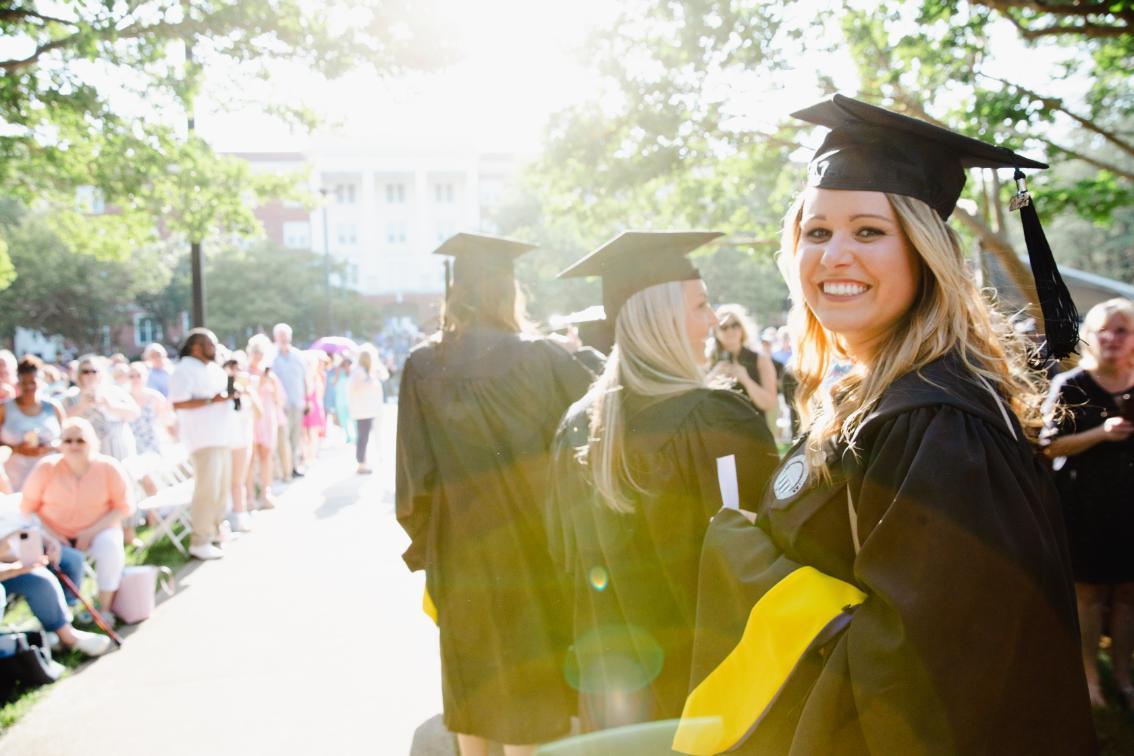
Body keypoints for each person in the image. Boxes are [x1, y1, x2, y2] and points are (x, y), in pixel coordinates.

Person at [674, 95, 1095, 755]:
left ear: (924, 253)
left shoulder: (934, 422)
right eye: (817, 232)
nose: (834, 255)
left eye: (869, 231)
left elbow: (924, 685)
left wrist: (744, 563)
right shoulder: (878, 395)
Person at [546, 231, 780, 731]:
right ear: (663, 319)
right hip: (708, 689)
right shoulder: (716, 420)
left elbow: (563, 555)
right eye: (701, 305)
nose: (714, 320)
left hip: (616, 696)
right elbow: (765, 559)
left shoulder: (577, 425)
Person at [396, 233, 594, 755]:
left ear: (457, 290)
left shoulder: (423, 365)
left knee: (472, 693)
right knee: (531, 702)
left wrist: (432, 547)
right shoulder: (546, 357)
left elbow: (412, 480)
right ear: (509, 291)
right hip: (537, 553)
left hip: (461, 557)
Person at [1043, 297, 1134, 710]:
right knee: (1090, 600)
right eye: (1104, 330)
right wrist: (1102, 433)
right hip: (1085, 509)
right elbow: (1049, 446)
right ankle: (1090, 679)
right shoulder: (1072, 385)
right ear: (1090, 338)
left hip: (1128, 510)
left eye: (1122, 330)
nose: (1112, 338)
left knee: (1129, 597)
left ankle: (1123, 676)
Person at [20, 418, 130, 618]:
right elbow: (28, 508)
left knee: (111, 548)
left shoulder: (108, 467)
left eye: (80, 440)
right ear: (60, 444)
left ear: (92, 442)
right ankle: (65, 615)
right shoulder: (46, 468)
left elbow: (123, 507)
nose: (74, 445)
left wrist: (91, 532)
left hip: (99, 529)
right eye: (68, 440)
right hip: (55, 534)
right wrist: (52, 535)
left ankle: (105, 609)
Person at [0, 519, 113, 657]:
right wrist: (13, 566)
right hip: (7, 565)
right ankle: (66, 636)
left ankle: (58, 628)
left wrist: (48, 541)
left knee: (69, 561)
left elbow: (29, 523)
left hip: (24, 553)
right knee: (38, 579)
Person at [169, 329, 235, 561]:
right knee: (207, 490)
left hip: (220, 435)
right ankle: (200, 539)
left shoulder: (211, 368)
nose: (215, 348)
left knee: (220, 490)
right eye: (211, 344)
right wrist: (211, 400)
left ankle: (215, 531)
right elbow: (178, 403)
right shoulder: (184, 369)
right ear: (196, 346)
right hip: (202, 438)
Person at [708, 304, 780, 426]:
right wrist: (713, 376)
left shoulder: (759, 359)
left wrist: (746, 380)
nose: (730, 330)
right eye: (724, 327)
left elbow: (770, 404)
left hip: (752, 431)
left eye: (735, 325)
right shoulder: (708, 360)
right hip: (717, 431)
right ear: (715, 331)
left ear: (742, 328)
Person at [0, 356, 64, 491]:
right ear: (18, 382)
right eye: (24, 382)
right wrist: (15, 449)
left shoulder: (53, 407)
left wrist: (49, 447)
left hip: (50, 478)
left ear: (40, 382)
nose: (29, 386)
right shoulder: (4, 409)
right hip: (13, 480)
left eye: (33, 382)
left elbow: (67, 439)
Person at [63, 354, 140, 462]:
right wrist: (82, 406)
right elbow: (62, 421)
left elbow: (135, 413)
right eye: (85, 371)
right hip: (87, 455)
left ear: (101, 373)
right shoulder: (71, 397)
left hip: (118, 451)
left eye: (94, 371)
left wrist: (110, 405)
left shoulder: (115, 392)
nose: (90, 375)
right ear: (80, 375)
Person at [247, 335, 285, 510]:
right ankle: (249, 497)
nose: (258, 356)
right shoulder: (245, 374)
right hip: (251, 420)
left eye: (260, 353)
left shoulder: (271, 375)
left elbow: (279, 398)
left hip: (268, 419)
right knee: (250, 459)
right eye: (255, 352)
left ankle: (265, 493)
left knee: (266, 456)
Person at [272, 323, 308, 480]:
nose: (284, 339)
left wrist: (306, 399)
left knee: (295, 437)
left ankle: (293, 466)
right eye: (281, 336)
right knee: (282, 439)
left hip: (297, 402)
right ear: (276, 338)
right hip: (281, 406)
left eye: (286, 336)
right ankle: (283, 469)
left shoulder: (298, 356)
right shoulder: (272, 357)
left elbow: (304, 379)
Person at [224, 353, 255, 533]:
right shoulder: (223, 390)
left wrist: (248, 391)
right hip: (228, 440)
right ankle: (235, 514)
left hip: (242, 439)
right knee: (233, 481)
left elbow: (256, 412)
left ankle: (240, 512)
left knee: (239, 480)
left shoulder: (245, 390)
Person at [349, 345, 385, 475]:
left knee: (365, 437)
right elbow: (356, 387)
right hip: (362, 410)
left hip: (367, 410)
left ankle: (364, 460)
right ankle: (361, 463)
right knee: (363, 437)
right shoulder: (358, 372)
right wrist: (368, 382)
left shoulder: (366, 371)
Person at [332, 356, 355, 444]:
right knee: (343, 420)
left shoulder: (352, 373)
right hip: (341, 400)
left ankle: (355, 436)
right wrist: (338, 373)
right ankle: (348, 436)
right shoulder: (339, 371)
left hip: (350, 400)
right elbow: (334, 383)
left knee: (353, 419)